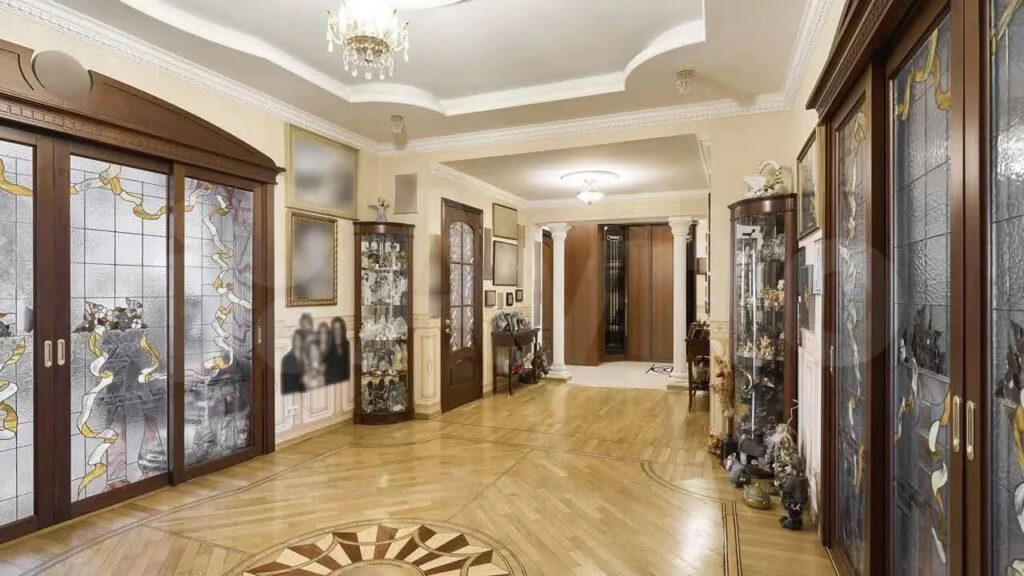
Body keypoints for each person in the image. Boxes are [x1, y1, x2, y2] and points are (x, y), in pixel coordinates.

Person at [325, 316, 350, 384]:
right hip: (332, 383)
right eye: (335, 329)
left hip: (347, 382)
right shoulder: (328, 347)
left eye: (339, 328)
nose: (337, 331)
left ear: (342, 329)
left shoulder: (347, 345)